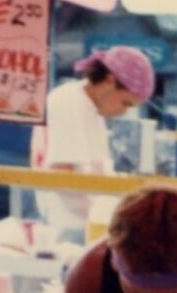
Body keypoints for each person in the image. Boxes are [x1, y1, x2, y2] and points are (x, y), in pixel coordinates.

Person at [34, 47, 156, 246]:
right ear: (109, 80)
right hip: (68, 228)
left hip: (88, 226)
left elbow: (97, 175)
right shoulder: (68, 101)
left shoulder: (92, 108)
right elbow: (63, 174)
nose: (123, 112)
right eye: (125, 103)